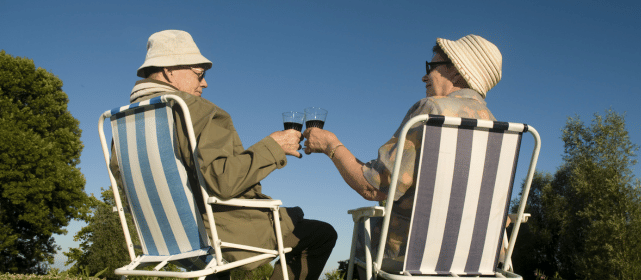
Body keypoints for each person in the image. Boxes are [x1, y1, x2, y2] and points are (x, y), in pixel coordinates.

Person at [111, 30, 336, 280]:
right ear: (169, 70)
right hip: (217, 234)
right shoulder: (195, 110)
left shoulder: (124, 123)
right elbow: (223, 182)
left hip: (161, 237)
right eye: (200, 74)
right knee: (320, 233)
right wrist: (275, 146)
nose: (205, 83)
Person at [303, 34, 502, 271]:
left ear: (457, 71)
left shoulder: (434, 110)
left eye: (432, 67)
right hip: (476, 259)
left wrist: (330, 145)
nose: (424, 76)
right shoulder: (497, 128)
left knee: (365, 229)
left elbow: (372, 187)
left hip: (414, 256)